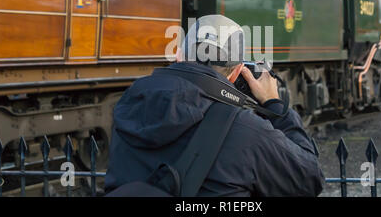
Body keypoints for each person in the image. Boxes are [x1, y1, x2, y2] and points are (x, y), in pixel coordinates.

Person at [105, 15, 324, 197]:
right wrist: (274, 106)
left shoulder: (129, 104)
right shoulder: (246, 130)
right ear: (238, 72)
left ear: (179, 56)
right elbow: (309, 178)